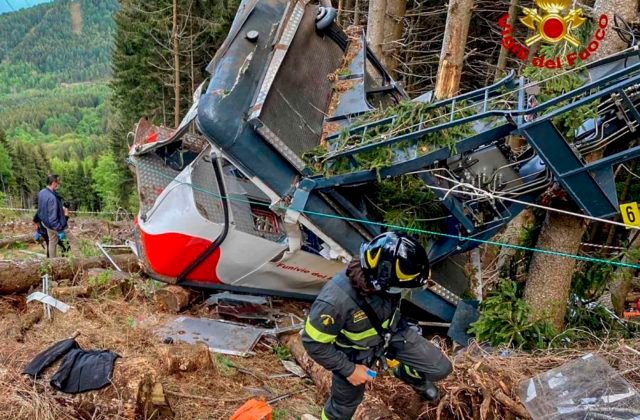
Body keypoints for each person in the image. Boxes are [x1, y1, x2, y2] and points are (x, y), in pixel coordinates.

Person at [302, 232, 453, 419]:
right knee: (343, 408)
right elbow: (312, 342)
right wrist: (349, 370)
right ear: (381, 281)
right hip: (354, 353)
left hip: (392, 333)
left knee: (440, 368)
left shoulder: (386, 271)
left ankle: (407, 373)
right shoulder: (335, 302)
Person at [36, 174, 68, 258]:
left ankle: (52, 262)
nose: (59, 184)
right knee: (69, 243)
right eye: (58, 182)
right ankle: (72, 262)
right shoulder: (52, 198)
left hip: (45, 223)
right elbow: (53, 218)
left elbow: (40, 210)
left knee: (52, 241)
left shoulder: (42, 192)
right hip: (53, 225)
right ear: (54, 183)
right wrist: (60, 230)